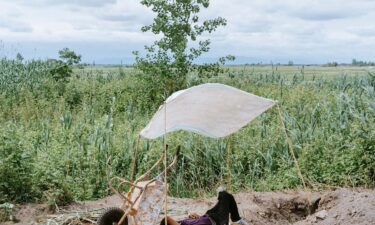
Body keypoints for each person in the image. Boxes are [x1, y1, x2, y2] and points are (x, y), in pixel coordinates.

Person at [160, 188, 248, 225]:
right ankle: (236, 219)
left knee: (224, 195)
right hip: (216, 220)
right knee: (225, 195)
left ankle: (236, 219)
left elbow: (199, 221)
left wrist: (194, 217)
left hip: (209, 215)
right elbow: (166, 219)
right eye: (171, 222)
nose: (172, 220)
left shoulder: (181, 222)